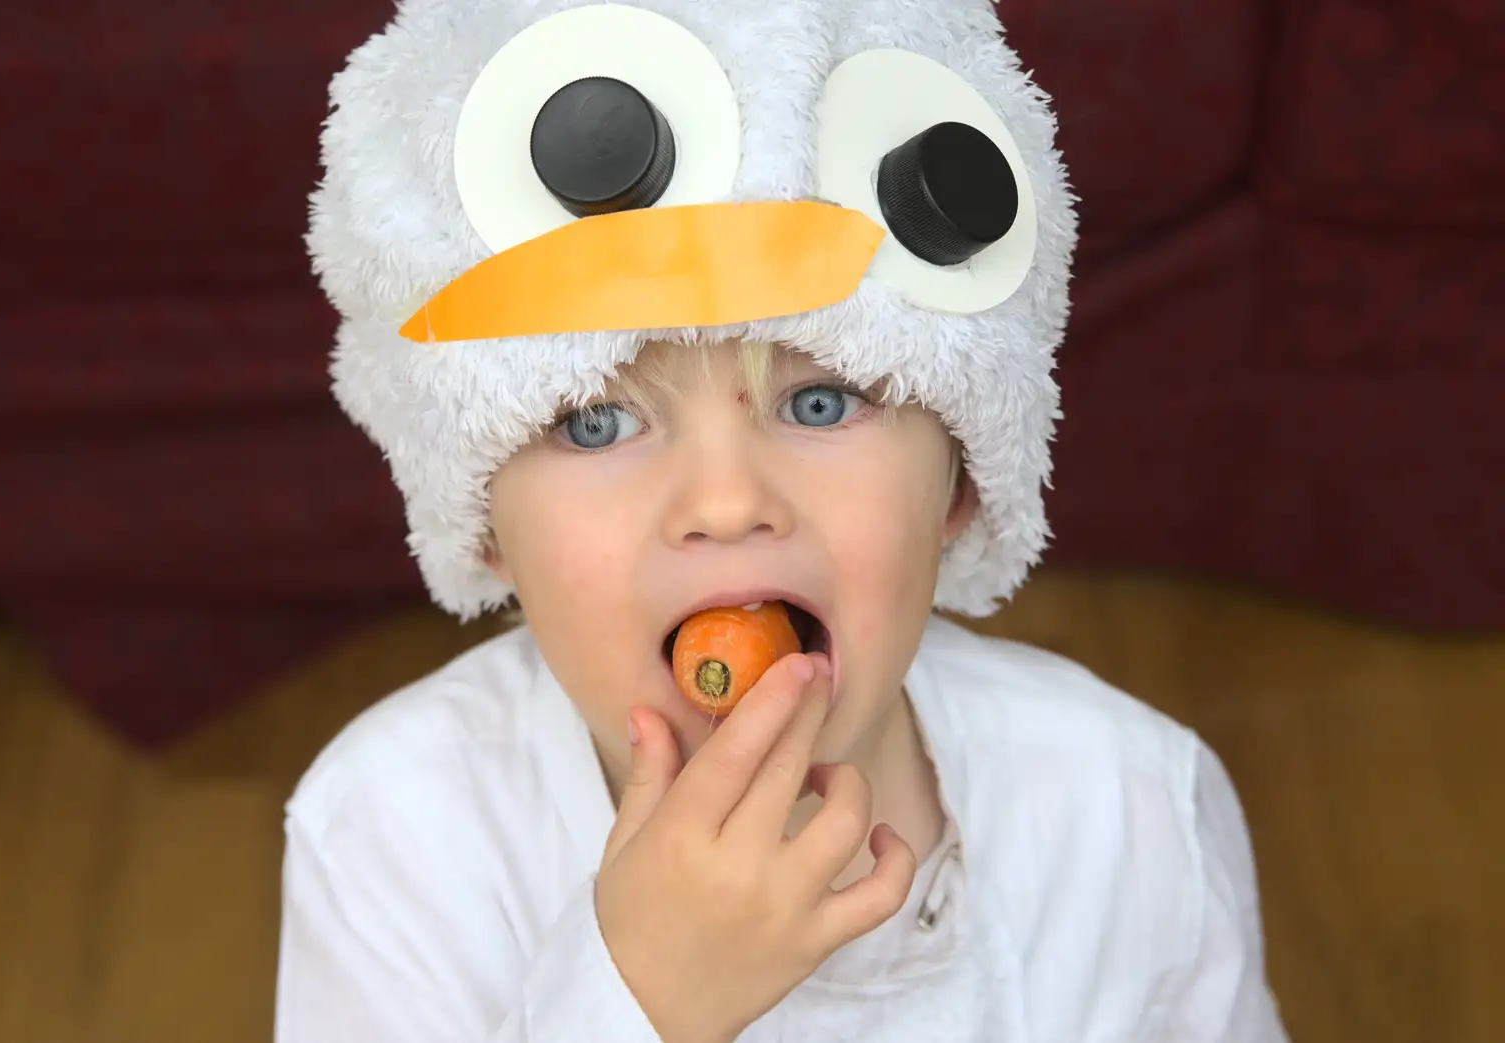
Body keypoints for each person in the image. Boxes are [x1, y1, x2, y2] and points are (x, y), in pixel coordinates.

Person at [278, 1, 1291, 1040]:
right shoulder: (392, 832)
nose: (726, 503)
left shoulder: (1127, 802)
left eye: (819, 402)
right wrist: (643, 997)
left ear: (960, 481)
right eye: (595, 422)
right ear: (481, 520)